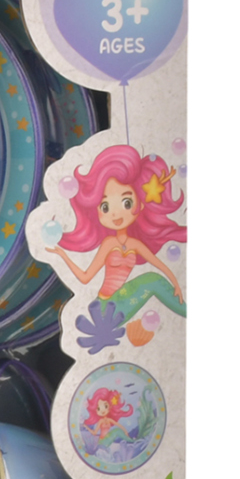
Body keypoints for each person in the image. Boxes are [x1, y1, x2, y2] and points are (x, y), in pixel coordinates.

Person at [46, 144, 186, 343]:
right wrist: (63, 255)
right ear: (96, 211)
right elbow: (85, 277)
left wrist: (176, 285)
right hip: (105, 307)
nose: (115, 214)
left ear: (140, 205)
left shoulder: (135, 244)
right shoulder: (109, 243)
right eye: (105, 206)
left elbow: (159, 264)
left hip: (121, 299)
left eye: (127, 203)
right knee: (152, 281)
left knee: (153, 279)